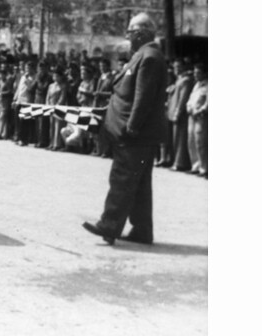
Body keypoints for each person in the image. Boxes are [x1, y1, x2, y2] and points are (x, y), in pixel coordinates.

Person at [82, 13, 167, 246]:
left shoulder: (148, 57)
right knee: (139, 185)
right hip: (135, 133)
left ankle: (109, 225)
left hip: (133, 134)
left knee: (122, 180)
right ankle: (142, 230)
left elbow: (143, 97)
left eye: (130, 32)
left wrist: (132, 126)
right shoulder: (142, 56)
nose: (128, 36)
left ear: (140, 33)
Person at [166, 58, 194, 171]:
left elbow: (183, 99)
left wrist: (177, 112)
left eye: (179, 67)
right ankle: (176, 161)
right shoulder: (179, 80)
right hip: (173, 112)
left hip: (180, 114)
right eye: (175, 67)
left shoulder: (185, 80)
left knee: (180, 139)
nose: (176, 70)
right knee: (175, 138)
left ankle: (180, 163)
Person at [186, 62, 208, 177]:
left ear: (204, 73)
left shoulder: (208, 86)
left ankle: (204, 168)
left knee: (201, 142)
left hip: (201, 117)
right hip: (191, 116)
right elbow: (190, 99)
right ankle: (195, 166)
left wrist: (200, 110)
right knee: (191, 140)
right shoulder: (196, 85)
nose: (195, 75)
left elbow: (207, 104)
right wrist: (189, 107)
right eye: (195, 72)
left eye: (198, 73)